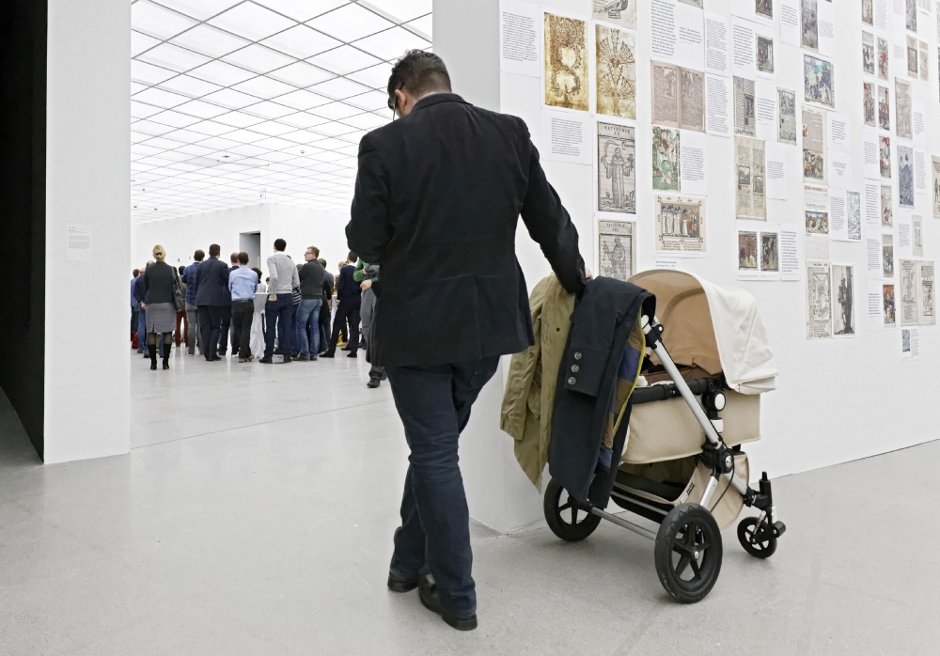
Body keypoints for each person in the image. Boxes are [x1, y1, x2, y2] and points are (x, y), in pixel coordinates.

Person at [346, 51, 585, 631]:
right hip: (485, 329)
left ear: (402, 93)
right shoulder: (509, 134)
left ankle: (455, 591)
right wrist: (578, 281)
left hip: (418, 330)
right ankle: (406, 562)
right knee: (436, 445)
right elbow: (549, 219)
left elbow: (364, 239)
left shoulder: (384, 144)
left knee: (433, 451)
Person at [260, 238, 299, 364]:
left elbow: (274, 276)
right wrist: (287, 288)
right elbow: (297, 282)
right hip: (288, 295)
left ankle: (268, 356)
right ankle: (287, 356)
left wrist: (273, 292)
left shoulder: (272, 259)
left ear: (274, 247)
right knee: (286, 326)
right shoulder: (291, 261)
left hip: (275, 295)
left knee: (270, 326)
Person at [139, 245, 179, 371]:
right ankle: (166, 362)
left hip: (152, 304)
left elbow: (144, 286)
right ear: (164, 254)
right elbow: (176, 285)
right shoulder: (171, 269)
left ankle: (153, 363)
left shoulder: (149, 270)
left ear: (154, 255)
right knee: (167, 332)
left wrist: (145, 300)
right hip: (168, 303)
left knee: (151, 332)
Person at [194, 243, 230, 362]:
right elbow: (226, 282)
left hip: (201, 299)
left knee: (204, 326)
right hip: (215, 300)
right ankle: (212, 353)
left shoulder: (201, 265)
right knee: (215, 326)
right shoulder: (222, 265)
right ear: (219, 252)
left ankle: (206, 353)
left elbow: (197, 282)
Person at [321, 252, 361, 358]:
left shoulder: (344, 269)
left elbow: (341, 286)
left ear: (348, 258)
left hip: (346, 300)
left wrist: (339, 298)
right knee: (354, 326)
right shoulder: (359, 270)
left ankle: (331, 351)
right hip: (357, 300)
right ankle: (354, 351)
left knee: (337, 324)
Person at [354, 260, 385, 388]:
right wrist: (364, 272)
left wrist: (373, 281)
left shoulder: (388, 250)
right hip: (367, 292)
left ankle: (376, 373)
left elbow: (395, 272)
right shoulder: (363, 257)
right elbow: (356, 276)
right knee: (366, 323)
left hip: (384, 292)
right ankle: (382, 366)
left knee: (378, 330)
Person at [295, 246, 325, 361]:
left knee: (300, 325)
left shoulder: (307, 266)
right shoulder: (321, 267)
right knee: (314, 327)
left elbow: (297, 279)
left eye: (307, 253)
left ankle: (304, 353)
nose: (305, 254)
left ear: (314, 255)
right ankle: (314, 354)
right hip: (318, 299)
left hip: (308, 298)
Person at [229, 252, 258, 363]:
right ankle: (245, 354)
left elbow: (230, 287)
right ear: (248, 260)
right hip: (248, 303)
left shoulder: (233, 273)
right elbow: (255, 288)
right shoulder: (253, 274)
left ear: (238, 260)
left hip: (236, 303)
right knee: (246, 329)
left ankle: (244, 354)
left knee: (238, 328)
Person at [182, 249, 204, 356]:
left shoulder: (187, 269)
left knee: (191, 325)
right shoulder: (204, 268)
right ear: (202, 258)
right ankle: (202, 349)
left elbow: (184, 280)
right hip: (201, 300)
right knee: (200, 325)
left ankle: (191, 349)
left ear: (194, 256)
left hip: (190, 300)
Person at [218, 252, 238, 357]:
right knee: (235, 326)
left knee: (224, 326)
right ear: (238, 260)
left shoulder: (227, 272)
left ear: (231, 260)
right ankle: (235, 349)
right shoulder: (240, 272)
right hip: (236, 301)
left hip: (225, 301)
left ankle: (222, 349)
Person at [318, 258, 334, 356]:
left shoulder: (318, 274)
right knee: (327, 324)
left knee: (318, 324)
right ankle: (328, 345)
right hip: (325, 300)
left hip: (317, 299)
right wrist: (329, 303)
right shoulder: (330, 275)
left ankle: (321, 346)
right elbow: (330, 290)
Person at [250, 267, 267, 358]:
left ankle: (252, 348)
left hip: (252, 310)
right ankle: (259, 348)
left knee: (252, 330)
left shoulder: (251, 285)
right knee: (259, 329)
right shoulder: (263, 286)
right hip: (259, 311)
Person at [134, 265, 150, 358]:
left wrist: (141, 302)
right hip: (150, 305)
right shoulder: (151, 279)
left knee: (141, 325)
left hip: (141, 305)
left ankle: (140, 347)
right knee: (149, 327)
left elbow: (135, 293)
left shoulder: (138, 280)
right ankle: (148, 347)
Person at [174, 265, 188, 348]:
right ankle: (187, 342)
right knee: (187, 325)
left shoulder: (176, 280)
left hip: (178, 304)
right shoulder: (187, 279)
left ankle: (177, 342)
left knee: (176, 325)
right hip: (186, 304)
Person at [130, 269, 140, 346]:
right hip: (137, 303)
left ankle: (131, 336)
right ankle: (135, 337)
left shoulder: (131, 281)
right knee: (136, 321)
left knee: (133, 320)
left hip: (132, 303)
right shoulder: (137, 281)